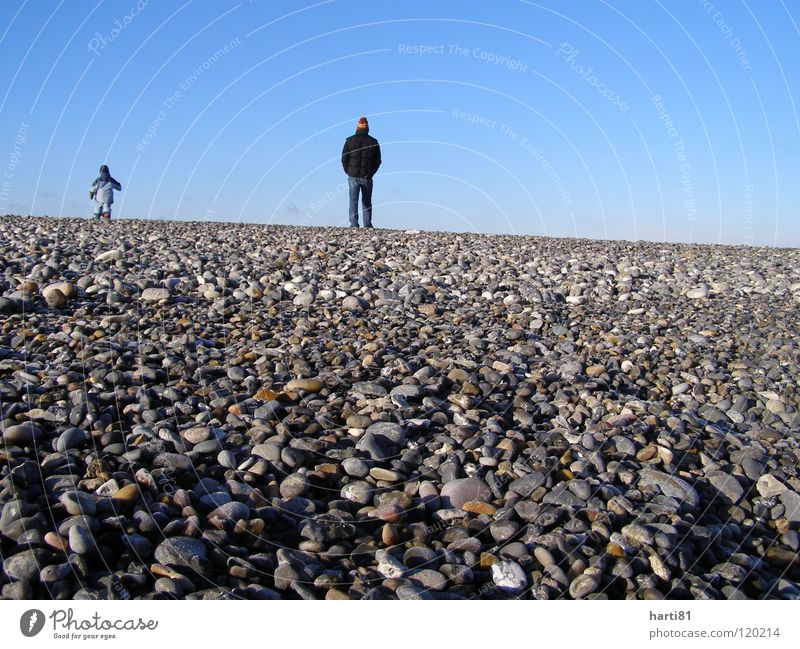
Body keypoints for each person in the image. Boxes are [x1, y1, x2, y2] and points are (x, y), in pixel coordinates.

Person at [341, 116, 381, 228]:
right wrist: (372, 173)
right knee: (367, 201)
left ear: (357, 128)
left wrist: (348, 171)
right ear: (367, 128)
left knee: (353, 201)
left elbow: (344, 158)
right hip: (367, 176)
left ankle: (354, 224)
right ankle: (367, 225)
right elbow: (378, 161)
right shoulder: (373, 142)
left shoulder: (349, 141)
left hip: (353, 175)